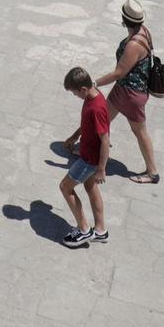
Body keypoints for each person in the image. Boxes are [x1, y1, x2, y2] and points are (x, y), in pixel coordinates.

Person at [95, 0, 160, 183]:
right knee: (102, 118)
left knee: (139, 131)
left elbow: (119, 72)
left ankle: (152, 172)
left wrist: (95, 83)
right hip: (125, 90)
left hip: (131, 94)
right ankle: (89, 148)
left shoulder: (133, 45)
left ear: (124, 19)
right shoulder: (144, 32)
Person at [58, 66, 110, 248]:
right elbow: (87, 125)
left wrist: (102, 169)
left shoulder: (96, 108)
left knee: (65, 187)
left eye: (74, 93)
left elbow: (105, 140)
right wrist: (74, 136)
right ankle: (101, 230)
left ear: (83, 89)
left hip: (89, 159)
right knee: (90, 186)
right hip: (89, 155)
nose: (75, 96)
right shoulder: (91, 96)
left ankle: (83, 230)